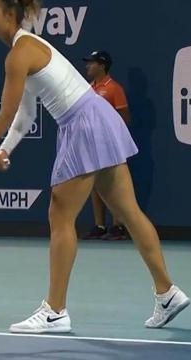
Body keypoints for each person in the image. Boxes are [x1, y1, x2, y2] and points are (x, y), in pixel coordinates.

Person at [0, 0, 190, 333]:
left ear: (9, 14)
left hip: (82, 123)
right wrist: (5, 150)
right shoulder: (27, 47)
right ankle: (167, 292)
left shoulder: (19, 53)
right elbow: (25, 114)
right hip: (98, 117)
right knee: (129, 212)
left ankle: (55, 311)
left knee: (60, 215)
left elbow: (5, 113)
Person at [81, 50, 131, 241]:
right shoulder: (87, 89)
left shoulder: (114, 88)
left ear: (102, 65)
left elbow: (124, 117)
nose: (88, 66)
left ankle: (118, 225)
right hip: (91, 144)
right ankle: (100, 225)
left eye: (92, 63)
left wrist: (113, 137)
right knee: (95, 184)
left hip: (110, 145)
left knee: (113, 185)